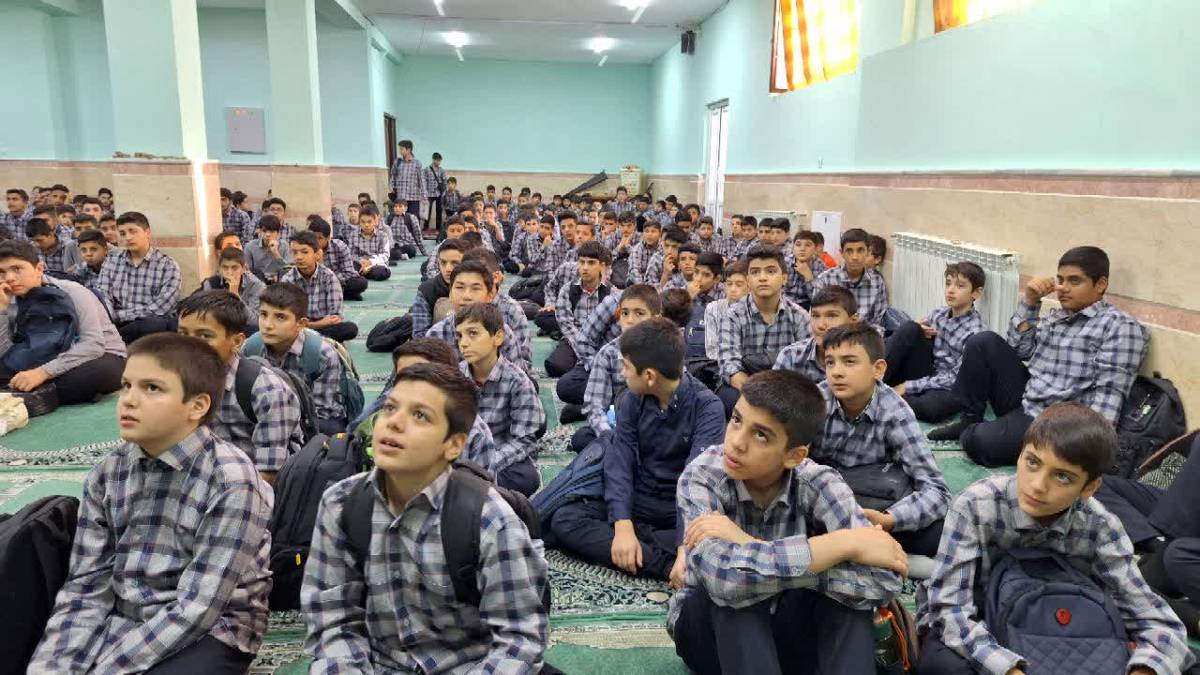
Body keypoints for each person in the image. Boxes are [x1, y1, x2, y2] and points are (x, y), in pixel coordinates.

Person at [27, 333, 272, 673]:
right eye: (127, 386)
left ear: (197, 406)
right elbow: (87, 585)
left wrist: (107, 669)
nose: (129, 400)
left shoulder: (232, 481)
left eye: (152, 388)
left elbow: (198, 606)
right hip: (124, 613)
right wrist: (54, 666)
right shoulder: (108, 472)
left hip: (212, 627)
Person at [301, 362, 549, 673]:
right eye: (390, 408)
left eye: (420, 415)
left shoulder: (488, 518)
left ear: (454, 445)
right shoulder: (340, 504)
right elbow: (334, 624)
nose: (394, 423)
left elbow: (519, 639)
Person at [916, 403, 1194, 675]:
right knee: (942, 663)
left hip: (1067, 633)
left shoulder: (1101, 526)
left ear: (1089, 487)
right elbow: (950, 609)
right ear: (1020, 455)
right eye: (1032, 462)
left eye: (1062, 477)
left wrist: (1144, 669)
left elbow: (1158, 623)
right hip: (983, 619)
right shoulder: (976, 505)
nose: (1038, 485)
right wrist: (1008, 668)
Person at [670, 370, 907, 675]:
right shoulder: (703, 476)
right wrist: (838, 546)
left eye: (760, 435)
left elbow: (885, 580)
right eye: (736, 420)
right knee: (734, 597)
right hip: (709, 636)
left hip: (791, 632)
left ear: (794, 455)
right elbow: (722, 580)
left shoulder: (819, 482)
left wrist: (748, 545)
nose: (736, 442)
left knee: (849, 606)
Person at [929, 246, 1149, 467]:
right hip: (1028, 398)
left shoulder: (1119, 327)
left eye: (1074, 281)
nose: (1063, 288)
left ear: (1100, 284)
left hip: (1054, 423)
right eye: (1060, 280)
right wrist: (1030, 301)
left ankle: (974, 433)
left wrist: (1084, 451)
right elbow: (1018, 350)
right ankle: (968, 421)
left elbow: (1109, 396)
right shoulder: (1058, 316)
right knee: (982, 341)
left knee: (978, 442)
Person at [547, 318, 726, 580]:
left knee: (714, 539)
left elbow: (696, 481)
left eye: (627, 367)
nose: (623, 373)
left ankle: (659, 555)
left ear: (650, 376)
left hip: (677, 508)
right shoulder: (632, 399)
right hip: (640, 499)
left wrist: (684, 547)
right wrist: (622, 524)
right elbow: (620, 461)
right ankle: (665, 566)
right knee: (565, 519)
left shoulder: (708, 408)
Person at [812, 323, 951, 556]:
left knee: (938, 534)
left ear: (878, 369)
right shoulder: (815, 401)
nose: (836, 372)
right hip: (820, 498)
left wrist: (889, 519)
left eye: (849, 362)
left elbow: (937, 490)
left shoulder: (895, 413)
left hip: (870, 499)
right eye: (830, 362)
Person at [177, 290, 304, 484]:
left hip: (248, 486)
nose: (190, 345)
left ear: (237, 342)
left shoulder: (268, 391)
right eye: (183, 334)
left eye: (204, 336)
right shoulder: (176, 382)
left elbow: (269, 473)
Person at [1094, 432, 1200, 636]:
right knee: (1096, 484)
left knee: (1178, 556)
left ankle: (1161, 564)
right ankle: (1156, 544)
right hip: (1178, 507)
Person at [0, 239, 125, 404]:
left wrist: (42, 373)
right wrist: (2, 311)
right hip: (39, 357)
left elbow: (93, 345)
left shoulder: (73, 292)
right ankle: (34, 393)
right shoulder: (7, 298)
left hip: (96, 355)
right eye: (1, 272)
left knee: (98, 374)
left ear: (39, 269)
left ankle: (34, 395)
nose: (9, 278)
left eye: (17, 269)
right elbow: (5, 354)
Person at [455, 302, 545, 497]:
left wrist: (486, 463)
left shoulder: (517, 381)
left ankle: (470, 488)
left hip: (499, 453)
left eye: (473, 333)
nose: (463, 343)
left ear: (497, 337)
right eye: (460, 336)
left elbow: (524, 440)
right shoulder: (454, 378)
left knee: (526, 477)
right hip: (462, 453)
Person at [885, 261, 987, 423]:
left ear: (976, 293)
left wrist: (907, 386)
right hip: (927, 372)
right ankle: (872, 382)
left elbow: (955, 378)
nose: (951, 290)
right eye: (948, 283)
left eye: (960, 286)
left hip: (948, 385)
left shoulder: (976, 332)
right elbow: (907, 340)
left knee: (932, 409)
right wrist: (917, 329)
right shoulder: (938, 314)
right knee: (909, 327)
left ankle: (888, 397)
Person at [716, 245, 812, 415]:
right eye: (755, 272)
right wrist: (761, 397)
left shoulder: (800, 317)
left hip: (786, 387)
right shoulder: (732, 316)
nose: (762, 278)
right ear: (748, 280)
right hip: (745, 386)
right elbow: (730, 365)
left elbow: (805, 366)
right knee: (729, 398)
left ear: (784, 278)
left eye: (770, 271)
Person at [571, 284, 662, 452]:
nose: (630, 320)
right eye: (625, 313)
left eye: (639, 313)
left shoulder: (667, 350)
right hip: (619, 425)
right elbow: (595, 406)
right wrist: (612, 437)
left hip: (656, 426)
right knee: (582, 438)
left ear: (656, 319)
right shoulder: (608, 354)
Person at [255, 283, 349, 434]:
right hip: (263, 413)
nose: (268, 325)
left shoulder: (322, 355)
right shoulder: (250, 349)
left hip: (311, 418)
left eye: (280, 317)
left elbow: (321, 411)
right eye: (263, 314)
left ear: (301, 324)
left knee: (331, 431)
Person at [94, 211, 182, 343]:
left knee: (153, 324)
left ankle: (113, 341)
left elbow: (162, 308)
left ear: (147, 233)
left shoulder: (167, 265)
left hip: (149, 327)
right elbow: (103, 296)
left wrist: (119, 315)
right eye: (122, 233)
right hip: (117, 324)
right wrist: (111, 316)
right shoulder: (111, 261)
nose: (128, 237)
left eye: (133, 231)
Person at [546, 241, 612, 378]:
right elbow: (567, 326)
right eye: (582, 262)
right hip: (574, 340)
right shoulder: (568, 290)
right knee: (555, 366)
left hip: (600, 342)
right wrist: (584, 351)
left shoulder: (611, 293)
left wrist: (595, 351)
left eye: (591, 263)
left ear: (601, 266)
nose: (585, 267)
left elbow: (612, 330)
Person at [280, 231, 359, 343]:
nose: (299, 257)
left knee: (350, 329)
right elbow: (284, 316)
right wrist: (316, 324)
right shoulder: (288, 280)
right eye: (295, 252)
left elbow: (335, 317)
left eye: (304, 252)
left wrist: (313, 325)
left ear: (317, 254)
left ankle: (308, 339)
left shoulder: (329, 277)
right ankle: (319, 340)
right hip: (301, 327)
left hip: (322, 327)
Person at [773, 286, 858, 384]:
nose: (820, 325)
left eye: (832, 316)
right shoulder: (791, 356)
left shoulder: (865, 358)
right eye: (815, 316)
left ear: (853, 321)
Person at [813, 228, 888, 329]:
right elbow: (817, 319)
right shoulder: (825, 279)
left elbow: (878, 322)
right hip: (833, 334)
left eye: (860, 250)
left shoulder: (877, 281)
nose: (855, 257)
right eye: (849, 251)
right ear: (842, 253)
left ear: (868, 251)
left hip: (864, 335)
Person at [200, 247, 265, 334]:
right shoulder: (211, 283)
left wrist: (235, 295)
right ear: (219, 268)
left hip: (244, 328)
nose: (229, 272)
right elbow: (206, 314)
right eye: (225, 267)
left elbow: (256, 321)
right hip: (219, 326)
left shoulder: (257, 286)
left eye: (234, 268)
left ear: (243, 269)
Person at [411, 238, 467, 336]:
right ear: (438, 263)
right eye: (443, 263)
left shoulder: (477, 289)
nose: (448, 269)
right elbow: (420, 335)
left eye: (455, 263)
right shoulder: (426, 290)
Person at [307, 217, 368, 302]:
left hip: (338, 281)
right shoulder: (306, 249)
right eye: (313, 237)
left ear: (328, 238)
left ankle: (334, 294)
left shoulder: (339, 246)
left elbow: (348, 273)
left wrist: (331, 279)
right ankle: (343, 295)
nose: (316, 241)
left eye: (319, 238)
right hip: (316, 283)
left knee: (361, 283)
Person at [703, 259, 748, 361]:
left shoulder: (755, 309)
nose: (733, 289)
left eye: (739, 284)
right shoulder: (713, 308)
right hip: (719, 364)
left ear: (749, 286)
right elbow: (711, 350)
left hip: (749, 365)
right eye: (729, 284)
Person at [345, 204, 393, 281]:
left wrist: (370, 262)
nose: (366, 225)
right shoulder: (353, 235)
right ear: (359, 221)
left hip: (376, 264)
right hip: (359, 264)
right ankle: (363, 273)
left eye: (369, 222)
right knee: (349, 267)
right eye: (363, 222)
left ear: (375, 222)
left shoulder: (383, 235)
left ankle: (361, 274)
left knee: (383, 272)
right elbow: (352, 254)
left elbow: (385, 255)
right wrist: (362, 262)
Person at [784, 230, 830, 309]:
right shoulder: (785, 263)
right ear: (793, 248)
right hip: (786, 304)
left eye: (808, 245)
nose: (802, 249)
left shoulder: (820, 267)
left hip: (809, 306)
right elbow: (778, 293)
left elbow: (819, 299)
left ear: (815, 249)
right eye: (798, 245)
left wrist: (809, 277)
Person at [388, 139, 432, 218]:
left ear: (409, 150)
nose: (400, 151)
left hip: (413, 198)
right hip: (401, 197)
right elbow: (393, 176)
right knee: (401, 218)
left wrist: (424, 197)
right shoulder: (397, 162)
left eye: (402, 149)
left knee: (413, 218)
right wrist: (392, 188)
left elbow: (422, 180)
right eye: (400, 149)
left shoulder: (417, 163)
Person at [243, 214, 290, 282]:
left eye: (272, 232)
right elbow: (247, 271)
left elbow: (289, 270)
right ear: (260, 231)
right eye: (264, 231)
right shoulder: (250, 246)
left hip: (278, 282)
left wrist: (276, 254)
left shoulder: (284, 245)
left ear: (278, 233)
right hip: (257, 282)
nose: (267, 235)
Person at [424, 151, 447, 237]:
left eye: (440, 161)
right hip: (429, 193)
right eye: (437, 160)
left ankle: (438, 228)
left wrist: (443, 191)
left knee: (439, 211)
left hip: (438, 194)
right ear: (433, 159)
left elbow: (445, 181)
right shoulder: (427, 170)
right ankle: (425, 227)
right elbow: (424, 181)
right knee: (427, 211)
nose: (438, 162)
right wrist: (424, 193)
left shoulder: (442, 170)